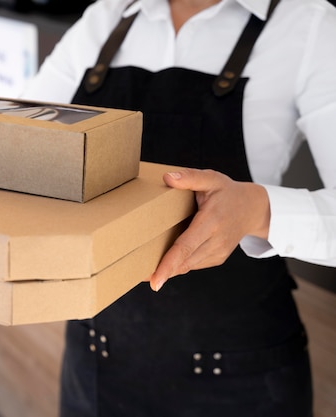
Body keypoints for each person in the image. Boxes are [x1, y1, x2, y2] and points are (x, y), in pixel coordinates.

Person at [20, 0, 336, 416]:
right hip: (97, 362)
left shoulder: (310, 23)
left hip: (240, 378)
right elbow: (20, 145)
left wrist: (257, 210)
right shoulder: (108, 17)